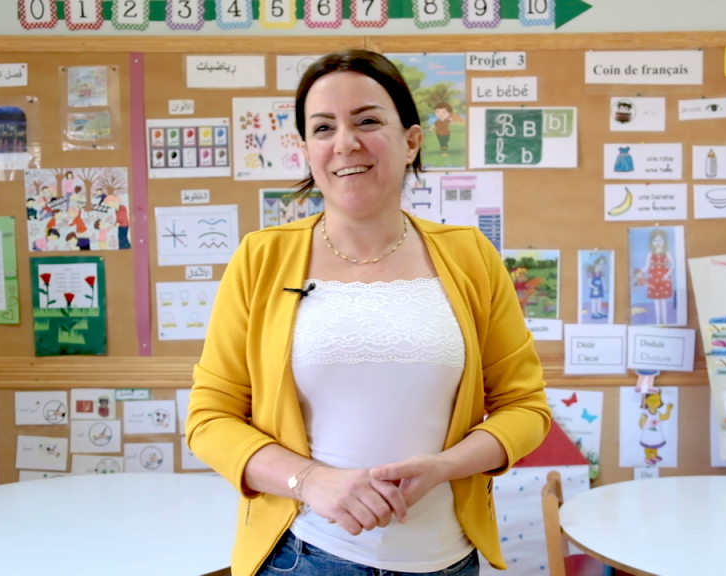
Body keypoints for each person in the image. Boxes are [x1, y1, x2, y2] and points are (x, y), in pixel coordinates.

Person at [186, 50, 550, 576]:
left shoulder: (471, 256)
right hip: (303, 559)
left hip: (447, 561)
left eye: (368, 120)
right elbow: (210, 418)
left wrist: (448, 466)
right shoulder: (260, 258)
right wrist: (308, 479)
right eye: (323, 127)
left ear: (412, 140)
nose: (345, 143)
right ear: (307, 150)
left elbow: (525, 408)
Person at [642, 229, 674, 325]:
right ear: (652, 242)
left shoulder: (667, 252)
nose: (658, 243)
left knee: (663, 300)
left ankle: (664, 321)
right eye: (655, 240)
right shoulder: (650, 253)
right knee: (656, 301)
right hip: (653, 278)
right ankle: (657, 321)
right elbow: (646, 266)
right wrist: (640, 273)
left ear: (664, 241)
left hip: (664, 278)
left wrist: (667, 274)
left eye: (660, 240)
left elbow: (673, 264)